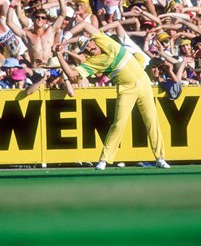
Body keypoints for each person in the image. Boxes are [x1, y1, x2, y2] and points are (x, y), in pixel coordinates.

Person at [57, 21, 170, 170]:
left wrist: (65, 38)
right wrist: (59, 54)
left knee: (152, 121)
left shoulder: (103, 40)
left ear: (92, 40)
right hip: (126, 89)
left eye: (89, 45)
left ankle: (160, 158)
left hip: (144, 83)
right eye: (85, 50)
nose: (89, 49)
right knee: (119, 123)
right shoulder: (93, 62)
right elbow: (72, 74)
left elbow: (84, 24)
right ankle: (104, 159)